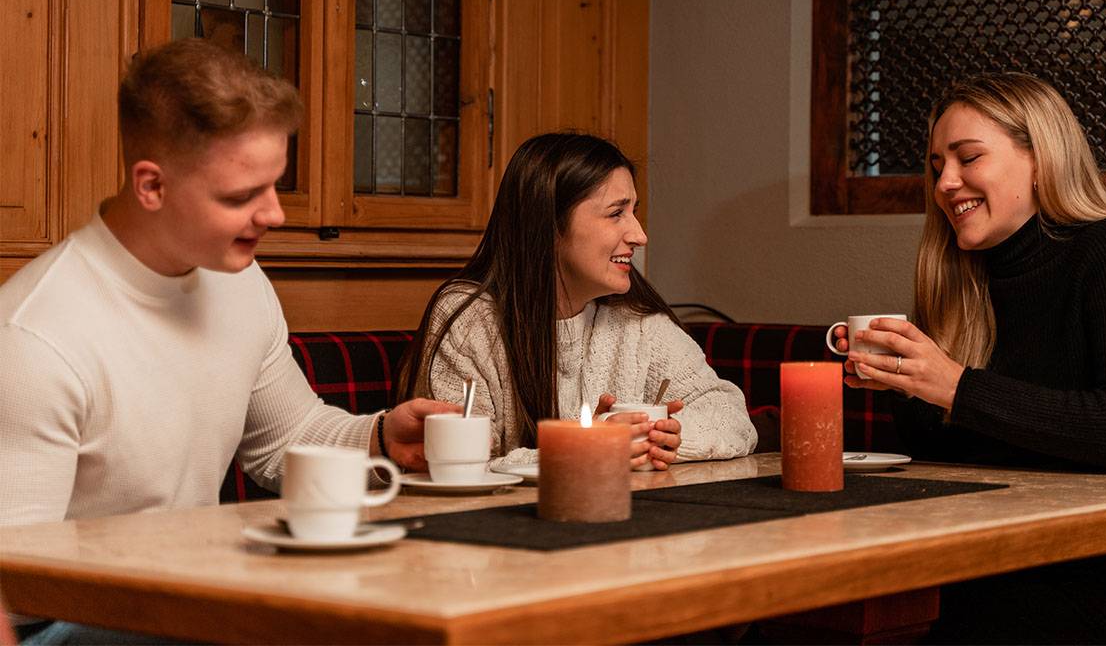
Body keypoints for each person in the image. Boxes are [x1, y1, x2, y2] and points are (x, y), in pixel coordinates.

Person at [0, 38, 456, 531]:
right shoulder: (33, 340)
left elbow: (286, 439)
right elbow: (16, 574)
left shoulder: (236, 278)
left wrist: (383, 436)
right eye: (241, 196)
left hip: (197, 591)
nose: (275, 215)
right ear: (151, 186)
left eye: (275, 185)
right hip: (80, 609)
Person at [840, 73, 1106, 644]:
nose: (945, 184)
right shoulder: (958, 279)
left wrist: (957, 387)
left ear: (1040, 158)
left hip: (1098, 573)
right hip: (974, 561)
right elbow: (943, 459)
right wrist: (909, 388)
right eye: (937, 166)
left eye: (968, 158)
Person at [396, 132, 757, 469]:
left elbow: (731, 417)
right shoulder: (469, 319)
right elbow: (453, 463)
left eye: (634, 211)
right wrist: (579, 448)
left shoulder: (637, 320)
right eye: (616, 213)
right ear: (549, 225)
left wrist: (669, 438)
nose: (639, 235)